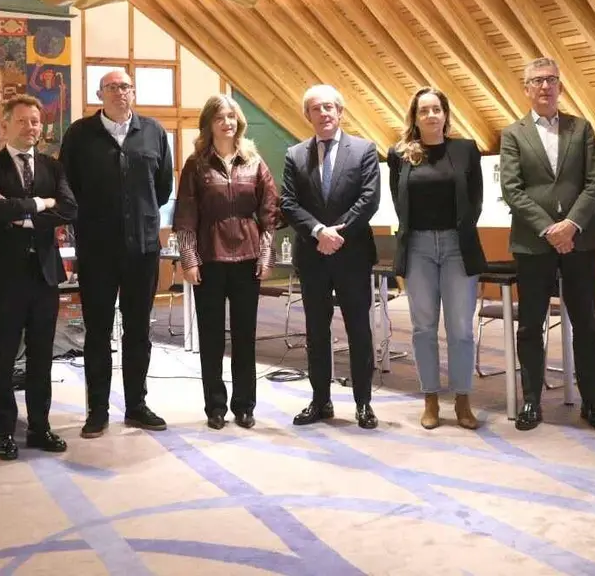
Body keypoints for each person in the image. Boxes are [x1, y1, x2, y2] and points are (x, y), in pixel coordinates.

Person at [59, 69, 173, 437]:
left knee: (138, 331)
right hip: (97, 251)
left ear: (133, 92)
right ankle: (98, 410)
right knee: (97, 332)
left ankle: (137, 406)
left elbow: (163, 187)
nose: (119, 92)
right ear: (99, 93)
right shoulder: (79, 134)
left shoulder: (154, 132)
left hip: (142, 250)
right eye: (111, 87)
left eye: (124, 86)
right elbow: (68, 186)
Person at [499, 58, 595, 432]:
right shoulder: (512, 134)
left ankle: (591, 402)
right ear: (526, 88)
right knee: (531, 323)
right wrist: (550, 229)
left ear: (560, 86)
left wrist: (572, 225)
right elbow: (512, 191)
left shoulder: (581, 129)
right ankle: (531, 400)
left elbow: (594, 183)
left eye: (551, 80)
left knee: (586, 323)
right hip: (533, 243)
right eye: (537, 81)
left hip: (581, 240)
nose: (545, 87)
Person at [0, 95, 76, 460]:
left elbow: (69, 208)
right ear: (5, 125)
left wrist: (25, 216)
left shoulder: (53, 167)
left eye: (35, 121)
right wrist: (40, 204)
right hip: (5, 276)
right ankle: (5, 432)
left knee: (41, 358)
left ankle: (39, 427)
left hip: (44, 275)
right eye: (22, 121)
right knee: (2, 358)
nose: (31, 127)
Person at [173, 95, 279, 430]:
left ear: (239, 122)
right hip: (209, 260)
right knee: (211, 337)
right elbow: (186, 217)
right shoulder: (196, 164)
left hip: (247, 260)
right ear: (208, 123)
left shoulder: (255, 162)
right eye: (219, 117)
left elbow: (269, 215)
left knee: (246, 337)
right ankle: (215, 407)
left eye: (232, 116)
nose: (227, 122)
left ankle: (245, 406)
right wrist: (189, 260)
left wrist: (265, 255)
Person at [280, 84, 381, 430]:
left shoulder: (365, 150)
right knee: (316, 332)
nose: (323, 114)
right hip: (312, 255)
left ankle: (364, 403)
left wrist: (337, 233)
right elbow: (289, 202)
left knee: (359, 331)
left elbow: (369, 200)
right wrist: (318, 232)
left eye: (329, 108)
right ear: (307, 116)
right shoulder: (295, 155)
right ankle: (320, 400)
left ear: (340, 112)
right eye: (315, 109)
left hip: (351, 253)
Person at [387, 87, 485, 431]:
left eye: (436, 110)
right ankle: (429, 397)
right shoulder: (400, 154)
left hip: (458, 246)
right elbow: (400, 203)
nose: (430, 116)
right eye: (423, 110)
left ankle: (462, 399)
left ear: (445, 114)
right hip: (418, 248)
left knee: (460, 328)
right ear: (414, 117)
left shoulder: (466, 150)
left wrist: (456, 231)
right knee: (423, 327)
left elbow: (475, 200)